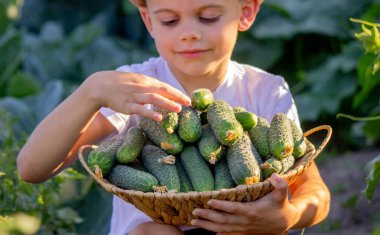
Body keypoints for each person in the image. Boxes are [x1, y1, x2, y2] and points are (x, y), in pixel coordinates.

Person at [17, 0, 331, 234]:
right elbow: (31, 168)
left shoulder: (265, 90)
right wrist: (91, 91)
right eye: (170, 21)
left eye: (208, 17)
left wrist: (288, 215)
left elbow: (315, 191)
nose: (189, 34)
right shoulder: (135, 90)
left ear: (246, 11)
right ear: (148, 21)